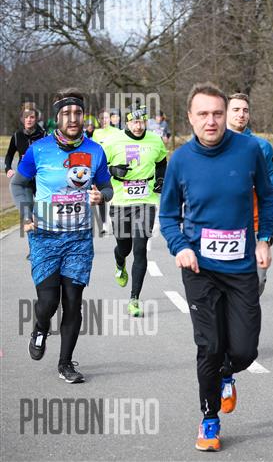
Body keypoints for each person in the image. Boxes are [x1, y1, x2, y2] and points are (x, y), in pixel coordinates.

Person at [159, 82, 273, 451]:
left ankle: (227, 371)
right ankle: (209, 419)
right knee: (208, 346)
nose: (211, 121)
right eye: (203, 114)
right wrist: (180, 247)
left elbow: (266, 197)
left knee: (244, 351)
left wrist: (264, 238)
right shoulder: (180, 160)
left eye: (217, 113)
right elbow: (167, 216)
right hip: (200, 268)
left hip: (241, 267)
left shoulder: (249, 150)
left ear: (226, 116)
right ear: (190, 118)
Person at [10, 88, 113, 384]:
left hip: (78, 238)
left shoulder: (95, 151)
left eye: (77, 113)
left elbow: (107, 187)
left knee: (73, 300)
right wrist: (26, 213)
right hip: (44, 236)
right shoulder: (38, 150)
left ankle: (66, 363)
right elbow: (19, 184)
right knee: (48, 302)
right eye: (66, 113)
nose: (73, 118)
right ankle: (40, 327)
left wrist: (101, 196)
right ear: (57, 118)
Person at [103, 107, 168, 317]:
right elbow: (99, 166)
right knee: (124, 247)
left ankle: (134, 299)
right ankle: (119, 261)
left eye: (142, 122)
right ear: (127, 122)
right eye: (134, 122)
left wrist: (160, 179)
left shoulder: (155, 140)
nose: (138, 126)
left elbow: (161, 162)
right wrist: (112, 170)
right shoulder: (113, 141)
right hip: (120, 201)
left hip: (145, 201)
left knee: (140, 249)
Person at [226, 92, 273, 296]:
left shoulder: (262, 146)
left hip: (256, 225)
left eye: (245, 110)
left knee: (257, 280)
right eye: (236, 110)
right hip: (224, 226)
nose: (241, 114)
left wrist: (257, 183)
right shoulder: (214, 144)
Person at [5, 102, 46, 179]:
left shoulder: (44, 136)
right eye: (26, 117)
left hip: (40, 178)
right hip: (22, 177)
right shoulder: (17, 136)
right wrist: (8, 169)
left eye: (32, 117)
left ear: (36, 119)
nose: (28, 120)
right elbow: (9, 155)